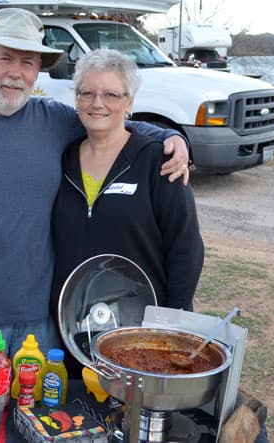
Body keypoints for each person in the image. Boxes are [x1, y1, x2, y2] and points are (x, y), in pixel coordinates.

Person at [0, 8, 190, 369]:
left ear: (38, 70)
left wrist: (171, 136)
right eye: (4, 58)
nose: (15, 73)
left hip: (39, 326)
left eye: (27, 62)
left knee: (35, 422)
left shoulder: (53, 120)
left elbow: (107, 119)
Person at [50, 49, 204, 377]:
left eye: (110, 94)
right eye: (87, 93)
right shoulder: (61, 160)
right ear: (76, 99)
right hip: (73, 326)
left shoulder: (157, 163)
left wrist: (171, 323)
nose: (97, 103)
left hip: (141, 329)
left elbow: (185, 247)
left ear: (129, 102)